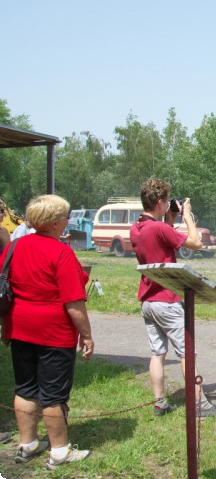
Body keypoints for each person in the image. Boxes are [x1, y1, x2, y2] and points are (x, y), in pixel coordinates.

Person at [0, 195, 93, 469]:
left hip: (19, 327)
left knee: (26, 388)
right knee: (53, 395)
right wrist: (86, 335)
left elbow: (5, 287)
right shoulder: (61, 253)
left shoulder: (15, 246)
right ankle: (59, 451)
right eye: (65, 216)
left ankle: (27, 444)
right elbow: (74, 302)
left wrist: (6, 325)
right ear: (54, 223)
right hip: (54, 333)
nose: (67, 220)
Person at [130, 179, 216, 419]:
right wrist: (187, 216)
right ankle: (200, 405)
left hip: (147, 299)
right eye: (167, 201)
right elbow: (196, 243)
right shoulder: (160, 228)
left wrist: (170, 217)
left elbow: (162, 239)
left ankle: (160, 402)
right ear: (159, 203)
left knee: (158, 353)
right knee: (187, 352)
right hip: (167, 299)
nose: (169, 205)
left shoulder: (137, 228)